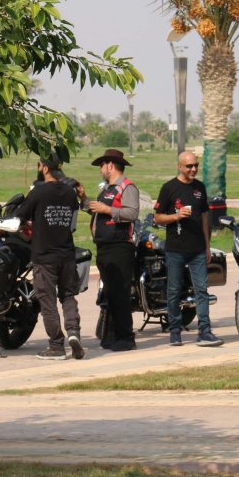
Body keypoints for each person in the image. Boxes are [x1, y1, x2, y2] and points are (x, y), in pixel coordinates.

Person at [17, 154, 84, 361]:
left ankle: (56, 346)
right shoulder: (70, 193)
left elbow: (20, 215)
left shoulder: (38, 192)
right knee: (68, 296)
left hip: (44, 256)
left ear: (45, 168)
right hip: (67, 255)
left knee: (47, 301)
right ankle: (73, 332)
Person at [154, 151, 223, 348]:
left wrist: (207, 246)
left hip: (198, 250)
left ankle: (205, 331)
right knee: (174, 290)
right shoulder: (169, 188)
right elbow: (157, 217)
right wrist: (176, 216)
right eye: (189, 166)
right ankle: (175, 331)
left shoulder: (200, 188)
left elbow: (204, 217)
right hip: (175, 249)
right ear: (179, 166)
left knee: (201, 290)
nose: (193, 169)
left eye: (196, 165)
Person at [86, 148, 141, 351]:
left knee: (120, 293)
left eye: (102, 165)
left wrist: (107, 209)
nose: (100, 169)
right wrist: (84, 199)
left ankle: (126, 338)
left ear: (110, 165)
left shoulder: (127, 187)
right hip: (104, 247)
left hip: (119, 247)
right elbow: (98, 211)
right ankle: (111, 336)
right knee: (109, 293)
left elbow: (132, 213)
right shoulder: (107, 189)